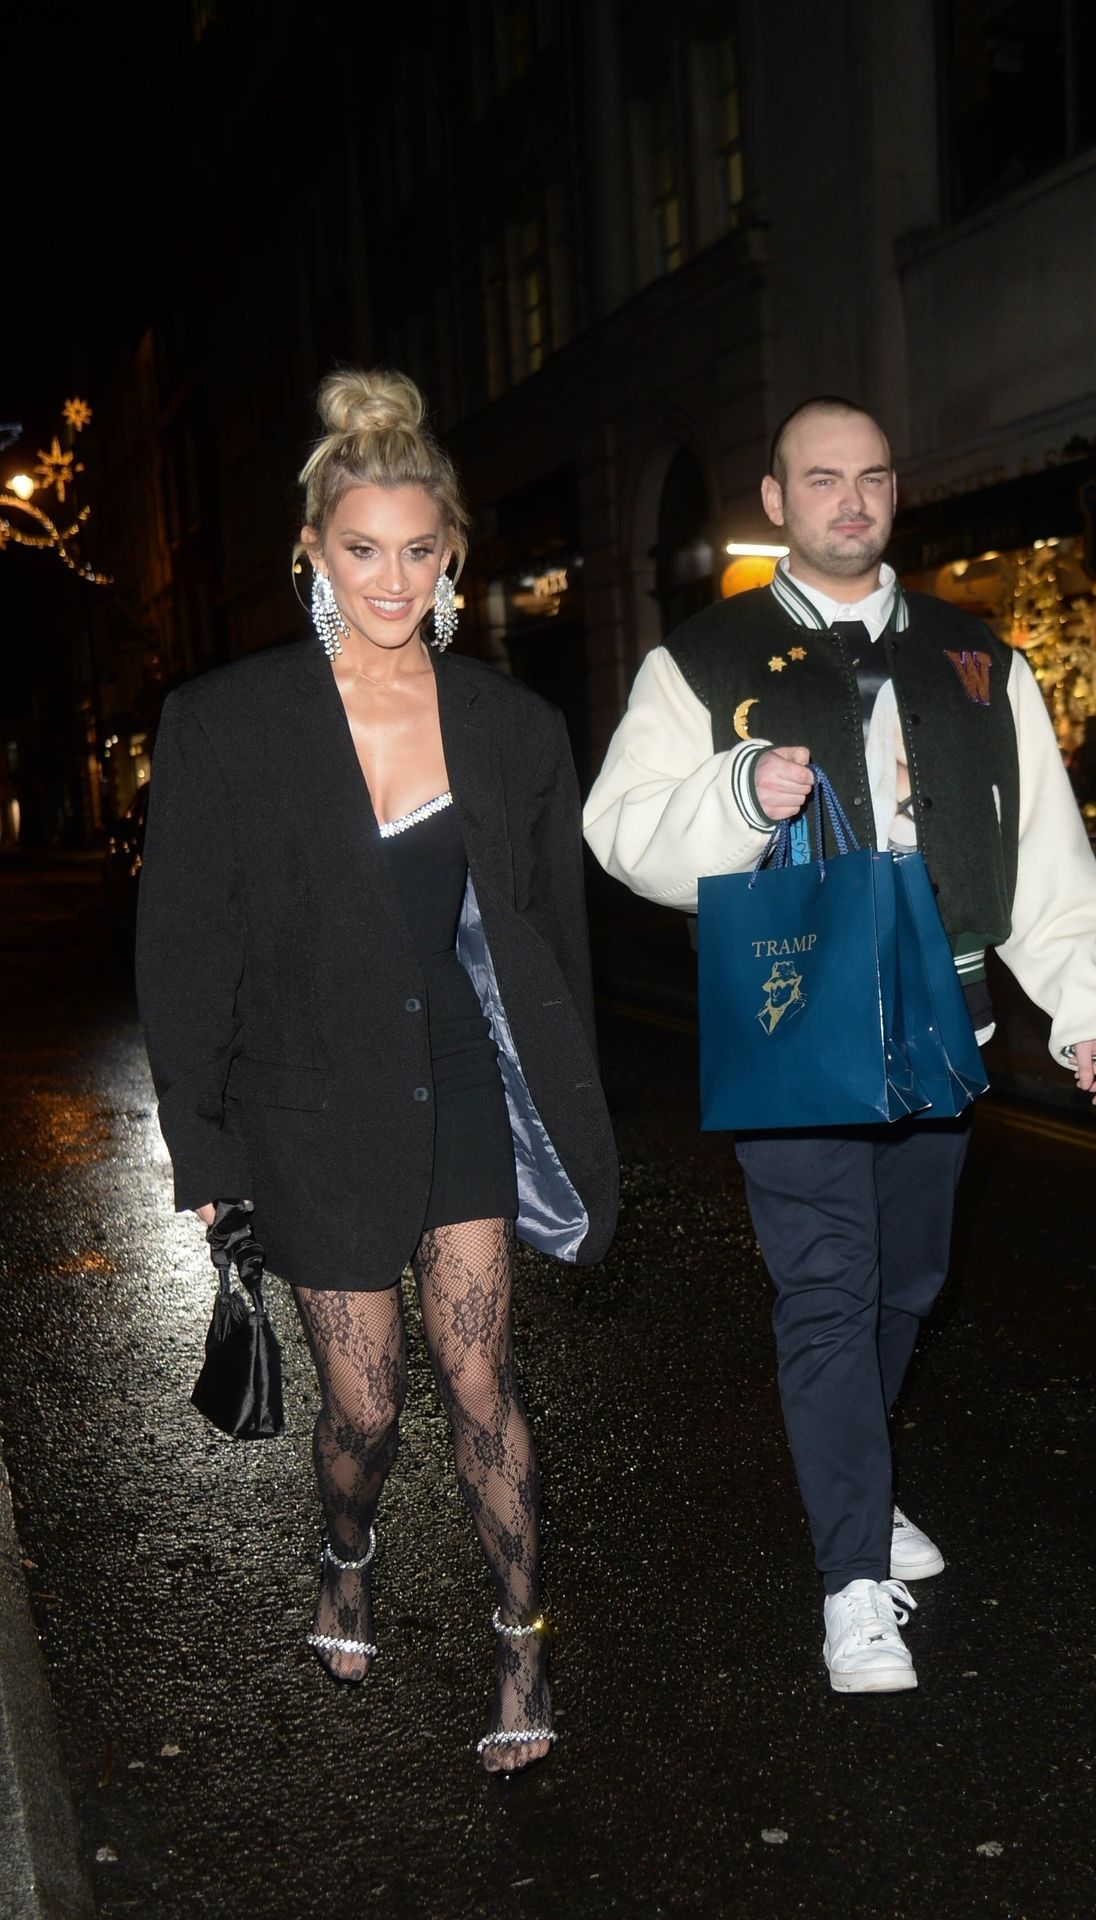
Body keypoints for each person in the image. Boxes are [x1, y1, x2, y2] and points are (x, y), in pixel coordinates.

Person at [584, 397, 1096, 1694]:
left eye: (873, 478)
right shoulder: (700, 660)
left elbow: (1044, 848)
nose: (851, 500)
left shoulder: (979, 658)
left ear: (897, 492)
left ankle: (862, 1482)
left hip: (947, 1024)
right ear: (776, 500)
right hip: (794, 1033)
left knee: (906, 1284)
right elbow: (618, 830)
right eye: (822, 479)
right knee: (830, 1291)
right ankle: (850, 1581)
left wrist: (1090, 1004)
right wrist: (737, 792)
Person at [136, 369, 617, 1772]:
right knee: (368, 1404)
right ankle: (345, 1549)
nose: (393, 580)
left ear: (453, 553)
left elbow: (552, 944)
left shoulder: (513, 729)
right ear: (314, 552)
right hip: (309, 1101)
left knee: (480, 1382)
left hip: (459, 1081)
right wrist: (205, 1149)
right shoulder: (227, 723)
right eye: (363, 549)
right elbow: (184, 951)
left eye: (419, 550)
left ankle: (521, 1645)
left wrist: (573, 1109)